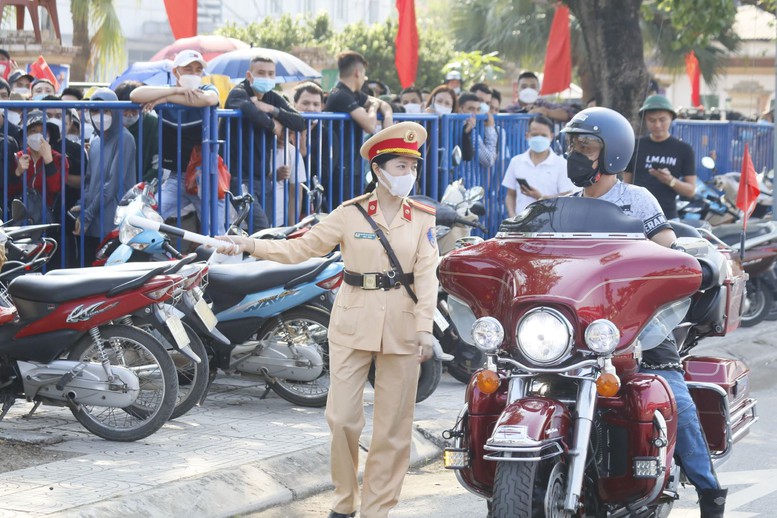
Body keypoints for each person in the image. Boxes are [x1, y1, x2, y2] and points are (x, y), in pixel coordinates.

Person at [212, 122, 438, 518]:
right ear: (378, 170)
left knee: (393, 429)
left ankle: (376, 510)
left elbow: (427, 275)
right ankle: (345, 502)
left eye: (412, 166)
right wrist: (248, 244)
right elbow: (300, 249)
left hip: (403, 326)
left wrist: (424, 329)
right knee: (343, 420)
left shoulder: (422, 219)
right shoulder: (349, 214)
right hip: (352, 322)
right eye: (400, 166)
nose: (408, 174)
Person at [562, 106, 727, 518]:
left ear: (613, 153)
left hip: (639, 325)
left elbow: (666, 243)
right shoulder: (562, 206)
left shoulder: (636, 199)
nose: (575, 153)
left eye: (586, 146)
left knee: (675, 399)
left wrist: (666, 257)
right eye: (572, 145)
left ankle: (710, 492)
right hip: (578, 329)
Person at [130, 50, 224, 234]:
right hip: (176, 177)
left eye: (198, 70)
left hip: (205, 176)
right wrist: (176, 90)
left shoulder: (207, 89)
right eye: (188, 69)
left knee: (217, 234)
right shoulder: (167, 89)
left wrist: (165, 98)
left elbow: (208, 100)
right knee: (146, 219)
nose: (194, 73)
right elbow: (135, 95)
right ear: (176, 72)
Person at [221, 54, 305, 231]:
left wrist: (271, 109)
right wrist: (271, 124)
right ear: (249, 75)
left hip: (264, 178)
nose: (266, 77)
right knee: (260, 225)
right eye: (261, 73)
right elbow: (245, 108)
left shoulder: (273, 97)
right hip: (239, 177)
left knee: (266, 230)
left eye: (270, 74)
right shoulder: (238, 91)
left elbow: (299, 121)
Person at [72, 88, 136, 261]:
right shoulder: (95, 142)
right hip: (92, 222)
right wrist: (82, 204)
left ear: (114, 111)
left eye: (105, 110)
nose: (99, 115)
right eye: (94, 111)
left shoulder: (125, 139)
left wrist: (88, 214)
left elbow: (113, 184)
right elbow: (88, 181)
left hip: (113, 225)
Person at [325, 51, 393, 201]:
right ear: (357, 72)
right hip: (339, 167)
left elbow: (385, 104)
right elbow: (370, 125)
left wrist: (387, 119)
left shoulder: (354, 94)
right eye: (364, 74)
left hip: (352, 166)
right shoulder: (339, 94)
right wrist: (374, 108)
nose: (364, 79)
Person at [624, 95, 696, 220]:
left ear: (671, 119)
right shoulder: (634, 145)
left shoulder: (684, 149)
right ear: (645, 120)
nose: (657, 125)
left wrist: (669, 180)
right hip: (636, 218)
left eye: (662, 120)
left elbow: (690, 191)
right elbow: (627, 184)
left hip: (668, 218)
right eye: (652, 120)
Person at [502, 115, 573, 217]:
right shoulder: (516, 162)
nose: (539, 139)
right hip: (521, 224)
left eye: (543, 135)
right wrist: (512, 216)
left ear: (551, 137)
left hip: (552, 224)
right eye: (535, 135)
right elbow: (510, 194)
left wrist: (541, 197)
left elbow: (567, 197)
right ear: (527, 136)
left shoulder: (561, 164)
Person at [11, 110, 66, 220]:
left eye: (43, 131)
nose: (38, 136)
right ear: (25, 135)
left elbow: (56, 189)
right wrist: (18, 172)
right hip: (21, 219)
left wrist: (49, 161)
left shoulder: (59, 159)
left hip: (47, 219)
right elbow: (8, 192)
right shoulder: (18, 157)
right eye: (33, 131)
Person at [293, 82, 339, 211]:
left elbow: (323, 174)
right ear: (294, 104)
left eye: (316, 104)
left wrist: (304, 154)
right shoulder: (284, 130)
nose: (311, 108)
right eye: (305, 103)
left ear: (322, 107)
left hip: (313, 202)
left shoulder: (328, 135)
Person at [114, 80, 160, 183]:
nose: (130, 114)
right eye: (125, 110)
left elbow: (158, 165)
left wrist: (142, 188)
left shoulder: (153, 124)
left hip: (145, 189)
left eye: (134, 110)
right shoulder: (109, 124)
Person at [506, 71, 576, 123]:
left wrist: (546, 112)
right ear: (517, 91)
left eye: (532, 87)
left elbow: (569, 113)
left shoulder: (544, 105)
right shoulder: (510, 110)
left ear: (539, 91)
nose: (528, 90)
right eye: (524, 87)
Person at [458, 92, 497, 168]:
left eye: (478, 109)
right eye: (471, 109)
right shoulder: (470, 130)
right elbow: (488, 160)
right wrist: (490, 129)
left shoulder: (475, 128)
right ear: (460, 109)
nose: (475, 113)